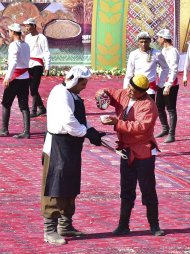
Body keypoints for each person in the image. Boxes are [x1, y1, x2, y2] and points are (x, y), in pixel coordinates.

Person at [41, 66, 106, 245]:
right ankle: (50, 230)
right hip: (57, 146)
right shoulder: (60, 94)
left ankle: (65, 225)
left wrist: (91, 130)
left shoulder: (73, 95)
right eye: (84, 83)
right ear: (76, 81)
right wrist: (85, 132)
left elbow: (80, 119)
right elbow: (68, 121)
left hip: (71, 146)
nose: (85, 87)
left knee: (70, 184)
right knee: (55, 186)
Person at [96, 74, 165, 236]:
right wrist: (101, 94)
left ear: (143, 92)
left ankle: (154, 226)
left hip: (143, 151)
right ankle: (123, 225)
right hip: (126, 150)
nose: (130, 92)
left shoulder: (149, 105)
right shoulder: (125, 93)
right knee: (126, 188)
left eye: (134, 91)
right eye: (130, 88)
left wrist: (116, 123)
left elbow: (141, 128)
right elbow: (106, 92)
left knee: (147, 188)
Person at [0, 23, 30, 139]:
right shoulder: (26, 45)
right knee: (24, 105)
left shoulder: (13, 45)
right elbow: (23, 60)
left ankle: (4, 129)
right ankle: (26, 131)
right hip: (25, 77)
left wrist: (7, 78)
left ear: (13, 32)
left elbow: (14, 63)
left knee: (6, 103)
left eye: (9, 31)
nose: (9, 33)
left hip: (15, 78)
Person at [123, 31, 169, 101]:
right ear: (138, 42)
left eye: (146, 42)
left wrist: (161, 84)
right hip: (136, 88)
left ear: (150, 41)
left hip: (150, 89)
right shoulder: (133, 54)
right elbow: (129, 72)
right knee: (135, 110)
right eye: (141, 42)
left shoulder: (157, 53)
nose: (143, 44)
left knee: (149, 110)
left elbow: (165, 68)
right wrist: (126, 87)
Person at [156, 29, 180, 143]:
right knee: (159, 107)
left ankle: (171, 134)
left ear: (164, 38)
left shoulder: (173, 51)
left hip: (170, 84)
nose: (157, 40)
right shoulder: (163, 50)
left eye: (159, 37)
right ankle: (165, 128)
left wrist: (169, 85)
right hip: (162, 83)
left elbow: (174, 70)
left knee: (170, 109)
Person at [23, 18, 51, 118]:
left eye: (28, 25)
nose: (26, 27)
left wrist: (47, 66)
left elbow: (46, 52)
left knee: (33, 88)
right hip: (28, 65)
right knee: (32, 88)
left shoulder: (42, 37)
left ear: (34, 26)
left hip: (38, 65)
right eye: (25, 26)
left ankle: (34, 111)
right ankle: (42, 108)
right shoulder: (27, 37)